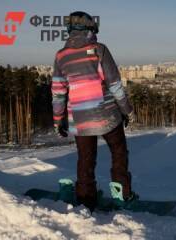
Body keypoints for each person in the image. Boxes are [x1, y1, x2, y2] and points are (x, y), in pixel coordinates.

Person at [51, 11, 137, 211]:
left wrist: (58, 119)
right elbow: (114, 85)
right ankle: (122, 194)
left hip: (79, 119)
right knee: (118, 151)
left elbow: (58, 91)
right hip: (107, 114)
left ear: (69, 30)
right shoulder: (99, 49)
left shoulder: (61, 56)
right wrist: (127, 111)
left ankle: (85, 198)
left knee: (85, 157)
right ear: (91, 28)